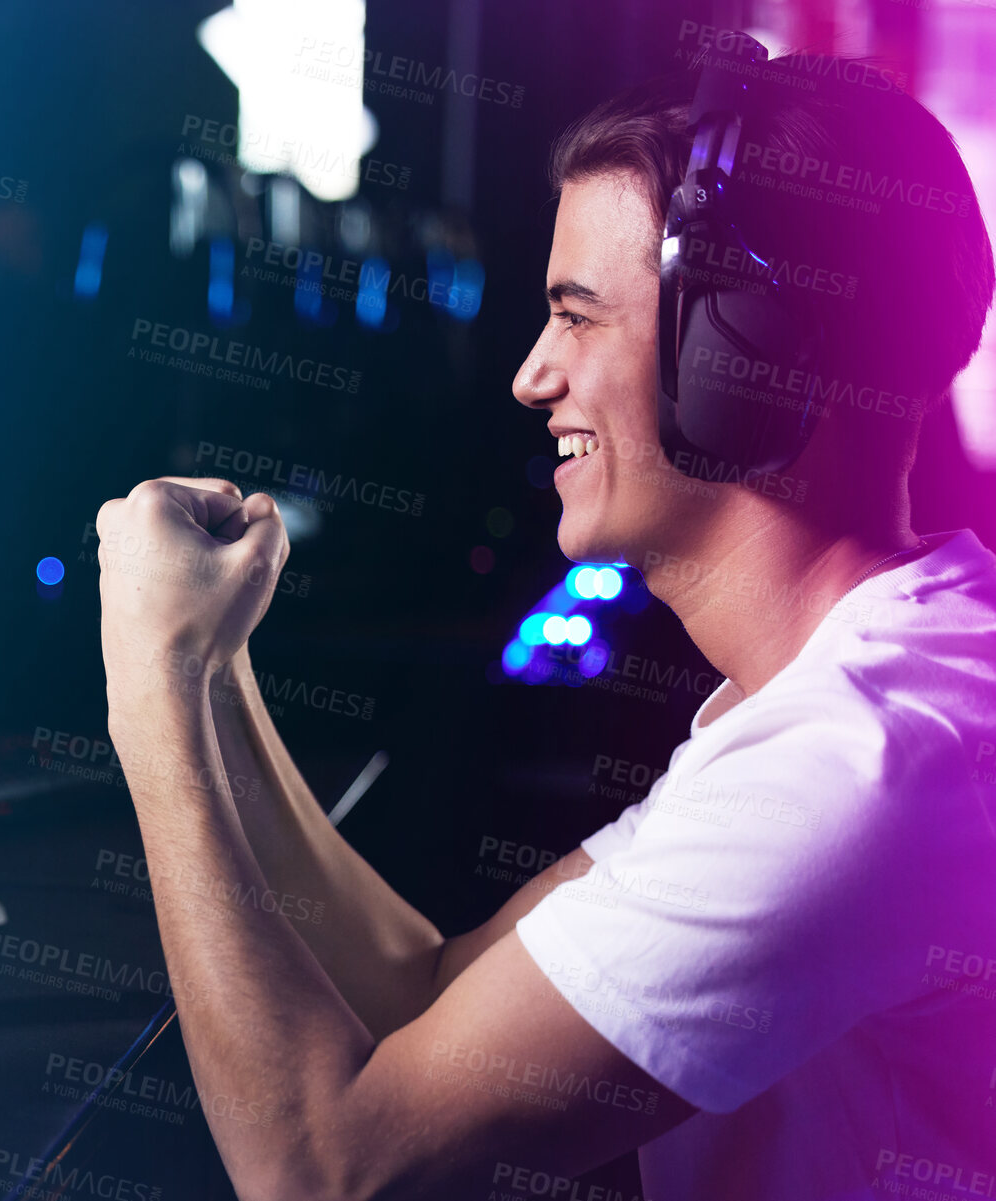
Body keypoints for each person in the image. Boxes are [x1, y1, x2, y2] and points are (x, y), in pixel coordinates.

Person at [93, 43, 996, 1201]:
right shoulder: (865, 686)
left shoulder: (862, 762)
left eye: (577, 318)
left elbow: (323, 1168)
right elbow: (432, 990)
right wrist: (214, 672)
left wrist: (148, 688)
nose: (532, 375)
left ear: (742, 356)